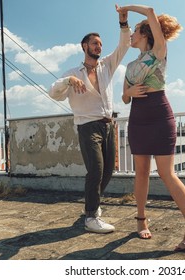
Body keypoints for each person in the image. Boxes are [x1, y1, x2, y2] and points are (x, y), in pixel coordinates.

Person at [118, 4, 185, 251]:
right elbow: (124, 97)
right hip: (138, 117)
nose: (131, 36)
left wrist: (125, 9)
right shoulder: (130, 67)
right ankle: (141, 220)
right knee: (141, 172)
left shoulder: (158, 51)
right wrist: (129, 92)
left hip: (159, 114)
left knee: (167, 173)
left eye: (134, 32)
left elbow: (150, 10)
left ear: (145, 33)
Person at [48, 5, 131, 234]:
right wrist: (69, 81)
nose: (99, 47)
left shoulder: (106, 66)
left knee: (107, 172)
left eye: (100, 44)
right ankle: (91, 216)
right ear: (85, 46)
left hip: (108, 125)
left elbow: (124, 46)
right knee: (95, 169)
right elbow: (53, 92)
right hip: (87, 126)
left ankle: (92, 205)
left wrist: (123, 23)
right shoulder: (72, 73)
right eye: (95, 43)